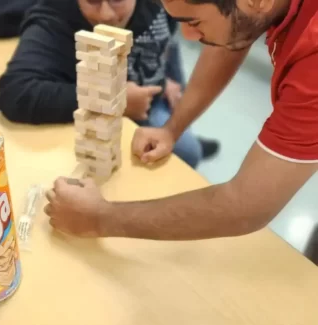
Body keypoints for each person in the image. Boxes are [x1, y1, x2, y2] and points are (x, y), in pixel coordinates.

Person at [44, 0, 318, 241]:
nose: (186, 35)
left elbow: (246, 204)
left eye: (194, 21)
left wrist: (99, 218)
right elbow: (229, 38)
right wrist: (172, 129)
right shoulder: (248, 10)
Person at [0, 0, 220, 168]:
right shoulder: (54, 17)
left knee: (189, 148)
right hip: (107, 119)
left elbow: (167, 42)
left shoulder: (163, 5)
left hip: (156, 92)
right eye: (92, 1)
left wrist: (170, 78)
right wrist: (115, 100)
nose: (106, 14)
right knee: (190, 153)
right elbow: (15, 93)